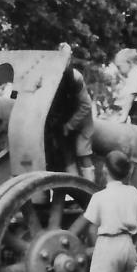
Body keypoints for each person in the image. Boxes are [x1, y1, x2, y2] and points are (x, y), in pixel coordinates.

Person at [56, 43, 96, 181]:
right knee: (67, 157)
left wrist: (70, 125)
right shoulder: (52, 74)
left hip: (81, 122)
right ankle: (74, 192)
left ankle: (90, 191)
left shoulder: (75, 77)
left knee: (82, 152)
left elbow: (85, 105)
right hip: (61, 120)